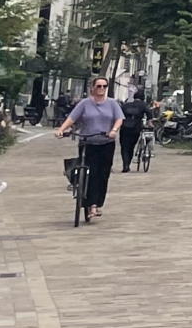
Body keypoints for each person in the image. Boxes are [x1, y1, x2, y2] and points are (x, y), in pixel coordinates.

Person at [57, 78, 124, 221]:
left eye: (104, 86)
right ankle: (91, 204)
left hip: (106, 142)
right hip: (87, 142)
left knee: (103, 173)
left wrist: (114, 130)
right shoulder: (85, 104)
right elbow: (72, 118)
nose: (101, 88)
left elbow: (119, 119)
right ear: (92, 88)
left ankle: (98, 203)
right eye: (98, 86)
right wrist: (61, 130)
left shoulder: (112, 103)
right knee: (91, 171)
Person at [115, 88, 150, 173]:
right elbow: (149, 113)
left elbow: (119, 114)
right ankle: (128, 164)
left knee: (124, 147)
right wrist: (149, 122)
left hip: (125, 127)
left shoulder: (126, 105)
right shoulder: (143, 105)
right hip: (136, 128)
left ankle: (125, 164)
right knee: (131, 146)